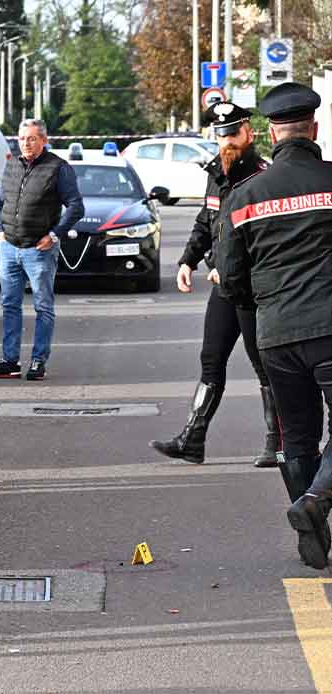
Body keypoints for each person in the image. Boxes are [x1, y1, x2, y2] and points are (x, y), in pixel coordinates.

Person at [218, 82, 332, 570]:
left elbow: (231, 277)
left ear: (270, 132)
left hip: (276, 334)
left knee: (297, 439)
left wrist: (263, 307)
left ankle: (316, 532)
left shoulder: (245, 196)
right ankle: (316, 502)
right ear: (315, 128)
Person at [149, 102, 276, 467]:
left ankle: (275, 442)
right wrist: (188, 260)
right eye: (221, 136)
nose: (227, 142)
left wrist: (230, 266)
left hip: (253, 288)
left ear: (249, 133)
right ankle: (193, 439)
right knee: (211, 360)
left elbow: (267, 238)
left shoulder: (264, 177)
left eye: (233, 134)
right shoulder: (216, 174)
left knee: (264, 365)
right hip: (224, 287)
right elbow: (206, 222)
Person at [0, 118, 84, 381]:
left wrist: (54, 235)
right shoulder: (12, 165)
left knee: (42, 307)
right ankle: (9, 360)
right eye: (22, 138)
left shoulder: (58, 168)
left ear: (44, 141)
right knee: (10, 305)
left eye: (32, 138)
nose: (26, 143)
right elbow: (0, 202)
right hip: (9, 247)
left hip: (39, 250)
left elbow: (76, 206)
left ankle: (38, 361)